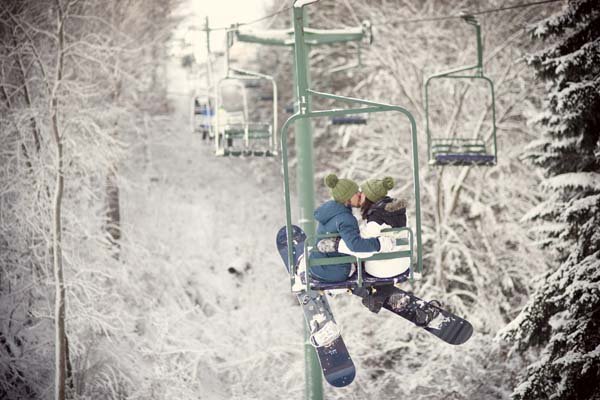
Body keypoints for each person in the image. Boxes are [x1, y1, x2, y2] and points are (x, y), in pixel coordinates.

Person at [308, 173, 396, 283]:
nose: (360, 194)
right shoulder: (345, 218)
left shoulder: (331, 210)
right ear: (347, 197)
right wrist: (380, 244)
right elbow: (355, 245)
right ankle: (375, 295)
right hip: (337, 271)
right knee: (363, 268)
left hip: (318, 266)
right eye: (356, 193)